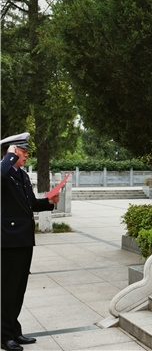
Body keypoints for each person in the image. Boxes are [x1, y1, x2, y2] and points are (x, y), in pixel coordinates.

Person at [1, 132, 59, 351]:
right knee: (7, 289)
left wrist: (49, 202)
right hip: (8, 241)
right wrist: (8, 157)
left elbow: (31, 203)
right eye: (23, 151)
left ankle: (14, 330)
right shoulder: (4, 171)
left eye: (26, 151)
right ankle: (4, 335)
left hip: (24, 239)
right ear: (12, 151)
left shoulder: (22, 176)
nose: (26, 155)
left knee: (18, 289)